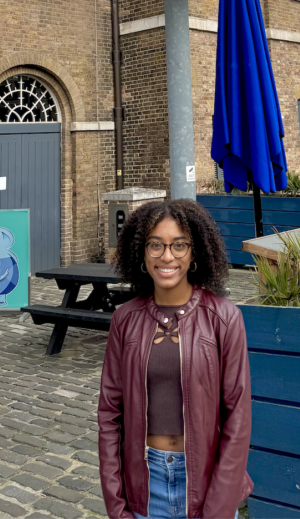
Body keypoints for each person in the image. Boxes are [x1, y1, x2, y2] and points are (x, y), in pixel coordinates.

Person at [98, 199, 252, 519]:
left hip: (208, 483)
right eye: (156, 245)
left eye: (179, 245)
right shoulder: (124, 321)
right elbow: (109, 416)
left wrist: (219, 508)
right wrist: (116, 506)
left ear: (194, 253)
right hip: (145, 486)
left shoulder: (224, 318)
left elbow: (238, 418)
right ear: (141, 252)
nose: (167, 256)